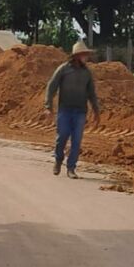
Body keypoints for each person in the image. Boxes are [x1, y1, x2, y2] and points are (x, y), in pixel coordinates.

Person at [44, 40, 101, 179]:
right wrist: (48, 107)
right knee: (62, 136)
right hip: (65, 110)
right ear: (76, 56)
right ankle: (58, 160)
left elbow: (91, 93)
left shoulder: (87, 73)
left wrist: (96, 110)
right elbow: (51, 87)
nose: (86, 57)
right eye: (84, 54)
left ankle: (71, 168)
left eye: (87, 55)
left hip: (80, 111)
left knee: (76, 140)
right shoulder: (63, 69)